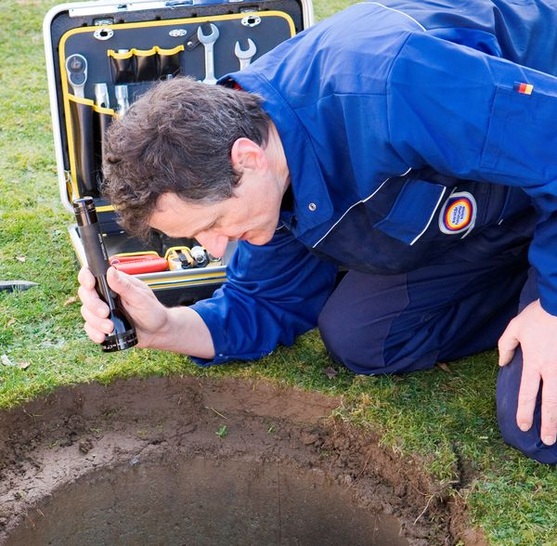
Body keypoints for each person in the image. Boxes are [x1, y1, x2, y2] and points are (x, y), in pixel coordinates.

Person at [78, 0, 557, 464]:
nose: (215, 246)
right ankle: (529, 276)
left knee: (539, 426)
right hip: (511, 204)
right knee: (364, 336)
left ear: (246, 159)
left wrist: (552, 311)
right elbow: (262, 303)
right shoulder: (263, 163)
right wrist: (162, 328)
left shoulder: (391, 83)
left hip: (542, 153)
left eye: (213, 223)